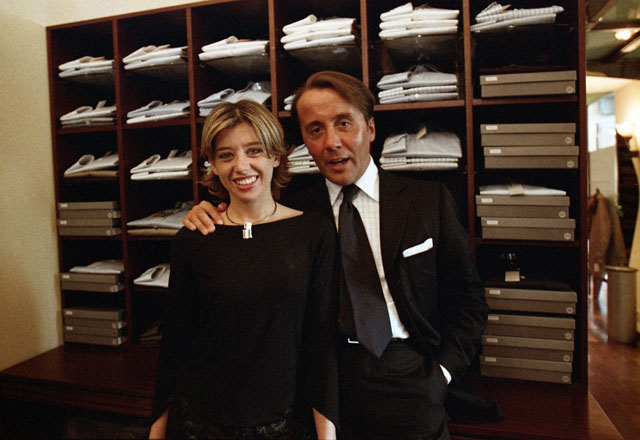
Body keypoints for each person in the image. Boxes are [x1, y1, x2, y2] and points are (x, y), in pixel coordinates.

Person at [184, 71, 488, 440]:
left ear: (370, 128)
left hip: (408, 376)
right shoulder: (291, 212)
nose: (331, 142)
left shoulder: (428, 201)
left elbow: (468, 300)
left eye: (344, 123)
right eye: (315, 130)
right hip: (318, 386)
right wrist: (208, 214)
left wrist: (441, 374)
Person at [149, 100, 338, 439]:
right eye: (226, 155)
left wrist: (328, 435)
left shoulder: (314, 233)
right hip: (198, 422)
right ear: (212, 164)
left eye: (254, 150)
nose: (241, 166)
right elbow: (174, 341)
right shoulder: (193, 237)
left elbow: (320, 343)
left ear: (275, 155)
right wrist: (156, 431)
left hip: (282, 422)